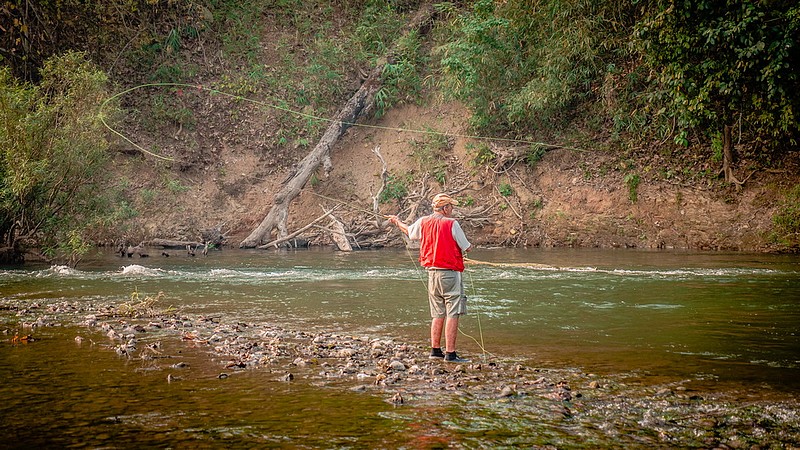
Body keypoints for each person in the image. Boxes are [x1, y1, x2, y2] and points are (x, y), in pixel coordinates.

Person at [388, 193, 472, 363]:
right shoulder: (452, 223)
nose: (452, 209)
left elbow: (409, 231)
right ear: (445, 208)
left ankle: (435, 350)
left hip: (432, 274)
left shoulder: (423, 221)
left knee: (437, 313)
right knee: (452, 313)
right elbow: (467, 247)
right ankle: (450, 354)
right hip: (449, 274)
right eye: (451, 206)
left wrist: (397, 222)